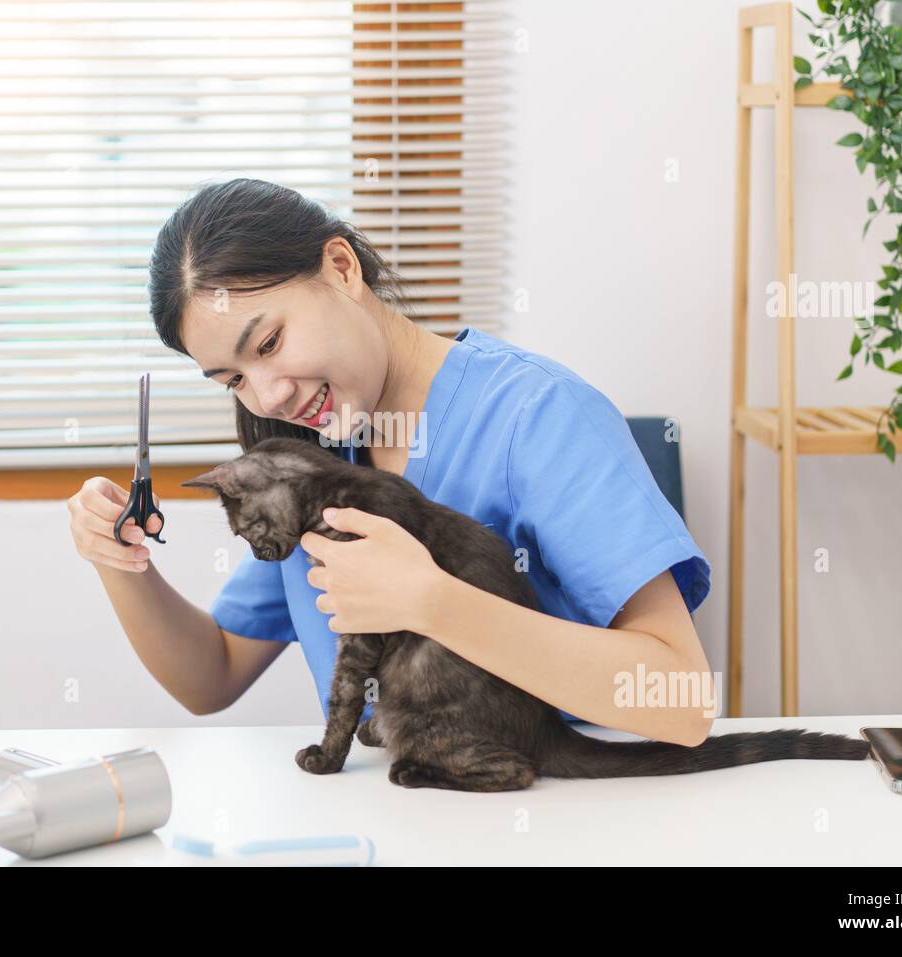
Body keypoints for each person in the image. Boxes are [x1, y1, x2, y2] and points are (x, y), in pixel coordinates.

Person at [68, 178, 714, 746]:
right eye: (232, 378)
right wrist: (118, 561)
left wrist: (431, 601)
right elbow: (211, 674)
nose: (268, 395)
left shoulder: (537, 417)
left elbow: (681, 700)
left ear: (342, 268)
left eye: (269, 342)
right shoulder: (310, 464)